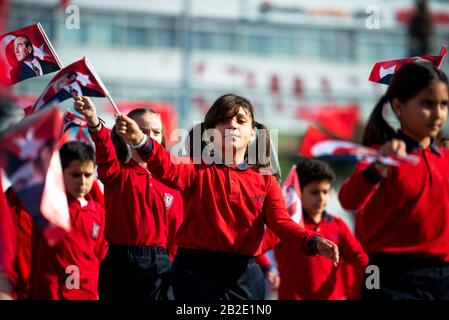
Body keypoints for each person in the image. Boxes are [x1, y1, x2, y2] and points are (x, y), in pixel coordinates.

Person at [113, 93, 339, 300]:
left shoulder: (265, 180)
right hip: (195, 275)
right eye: (223, 120)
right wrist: (140, 141)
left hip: (245, 278)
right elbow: (165, 166)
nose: (231, 125)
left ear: (252, 133)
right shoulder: (193, 169)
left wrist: (313, 241)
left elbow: (282, 223)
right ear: (210, 133)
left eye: (240, 121)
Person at [339, 61, 449, 300]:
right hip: (387, 276)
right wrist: (380, 166)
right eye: (427, 104)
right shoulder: (380, 155)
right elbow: (349, 199)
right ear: (399, 107)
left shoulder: (446, 158)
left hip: (443, 276)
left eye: (444, 104)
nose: (438, 114)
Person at [74, 97, 183, 300]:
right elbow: (105, 152)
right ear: (127, 135)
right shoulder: (117, 174)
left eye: (156, 132)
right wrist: (93, 121)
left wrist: (171, 265)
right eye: (143, 131)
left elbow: (177, 237)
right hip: (120, 262)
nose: (149, 137)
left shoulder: (173, 182)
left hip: (160, 266)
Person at [259, 158, 368, 300]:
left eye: (325, 191)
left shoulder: (338, 225)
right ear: (299, 192)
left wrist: (362, 293)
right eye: (315, 192)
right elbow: (254, 248)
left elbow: (362, 259)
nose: (321, 198)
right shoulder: (287, 228)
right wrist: (268, 268)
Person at [28, 141, 107, 300]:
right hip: (58, 293)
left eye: (87, 174)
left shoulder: (98, 212)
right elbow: (44, 263)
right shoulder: (52, 211)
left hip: (88, 293)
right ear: (61, 173)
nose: (82, 181)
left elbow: (101, 256)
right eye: (75, 175)